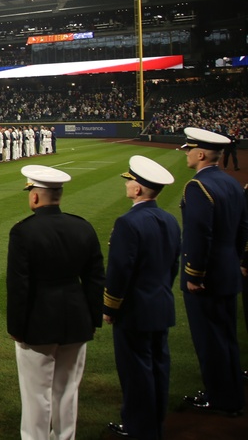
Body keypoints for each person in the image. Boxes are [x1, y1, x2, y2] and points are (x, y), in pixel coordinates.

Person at [7, 165, 105, 440]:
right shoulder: (83, 226)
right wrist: (93, 319)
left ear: (35, 196)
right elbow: (96, 279)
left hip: (37, 321)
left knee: (36, 394)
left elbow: (18, 286)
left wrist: (16, 327)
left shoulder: (23, 231)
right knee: (67, 390)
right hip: (76, 318)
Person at [103, 155, 181, 440]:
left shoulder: (128, 222)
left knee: (136, 372)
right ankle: (155, 424)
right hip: (161, 304)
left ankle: (139, 428)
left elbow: (120, 270)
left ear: (137, 189)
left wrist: (110, 306)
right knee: (159, 367)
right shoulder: (170, 219)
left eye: (130, 181)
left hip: (135, 311)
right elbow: (173, 265)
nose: (127, 184)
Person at [178, 127, 248, 416]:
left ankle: (220, 399)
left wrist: (195, 274)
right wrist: (236, 259)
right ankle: (232, 393)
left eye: (189, 150)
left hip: (207, 277)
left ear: (201, 154)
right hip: (228, 269)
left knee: (210, 340)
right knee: (227, 334)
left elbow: (199, 234)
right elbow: (243, 228)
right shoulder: (232, 183)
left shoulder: (198, 186)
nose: (186, 154)